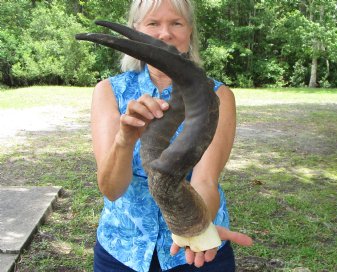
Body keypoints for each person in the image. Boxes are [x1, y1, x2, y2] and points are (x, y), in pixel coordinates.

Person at [91, 0, 252, 271]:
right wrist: (125, 138)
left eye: (176, 23)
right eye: (153, 23)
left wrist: (196, 231)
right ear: (137, 29)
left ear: (190, 32)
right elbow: (111, 189)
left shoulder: (216, 95)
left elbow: (205, 181)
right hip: (122, 251)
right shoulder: (109, 91)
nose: (165, 34)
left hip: (194, 252)